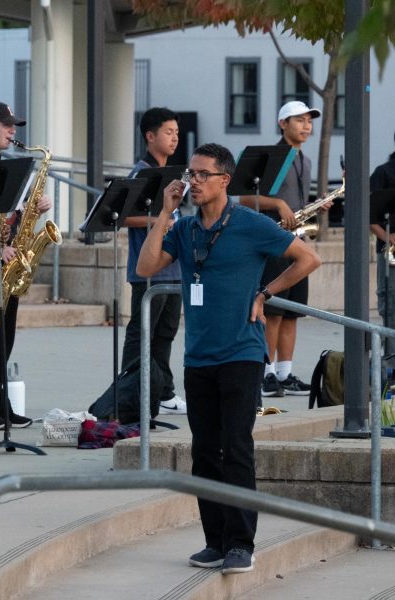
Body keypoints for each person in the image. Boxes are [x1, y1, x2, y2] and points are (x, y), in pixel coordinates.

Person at [137, 143, 321, 574]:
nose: (193, 181)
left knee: (236, 448)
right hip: (198, 356)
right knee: (204, 453)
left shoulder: (250, 225)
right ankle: (215, 541)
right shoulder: (184, 229)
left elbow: (308, 257)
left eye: (202, 175)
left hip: (242, 352)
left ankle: (242, 544)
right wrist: (165, 212)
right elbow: (146, 267)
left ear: (225, 180)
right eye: (191, 174)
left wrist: (266, 292)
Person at [241, 100, 324, 399]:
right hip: (273, 240)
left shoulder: (306, 160)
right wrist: (276, 204)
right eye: (298, 120)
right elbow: (244, 200)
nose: (306, 125)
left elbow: (296, 205)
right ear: (282, 124)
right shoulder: (271, 158)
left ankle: (285, 373)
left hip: (297, 241)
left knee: (293, 313)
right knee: (273, 311)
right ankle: (266, 373)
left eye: (309, 121)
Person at [121, 107, 186, 414]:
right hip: (148, 269)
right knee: (141, 334)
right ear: (150, 136)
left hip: (173, 267)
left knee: (165, 333)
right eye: (168, 132)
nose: (174, 138)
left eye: (176, 132)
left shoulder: (173, 173)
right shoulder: (140, 174)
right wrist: (160, 220)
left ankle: (163, 391)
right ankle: (129, 392)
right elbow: (124, 216)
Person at [0, 101, 52, 430]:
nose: (12, 130)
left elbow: (13, 216)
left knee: (6, 339)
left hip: (9, 264)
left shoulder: (12, 170)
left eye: (13, 124)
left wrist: (36, 207)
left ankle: (2, 406)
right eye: (6, 124)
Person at [370, 140, 395, 356]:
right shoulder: (383, 173)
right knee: (390, 305)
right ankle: (390, 359)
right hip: (390, 251)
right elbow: (369, 215)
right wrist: (389, 237)